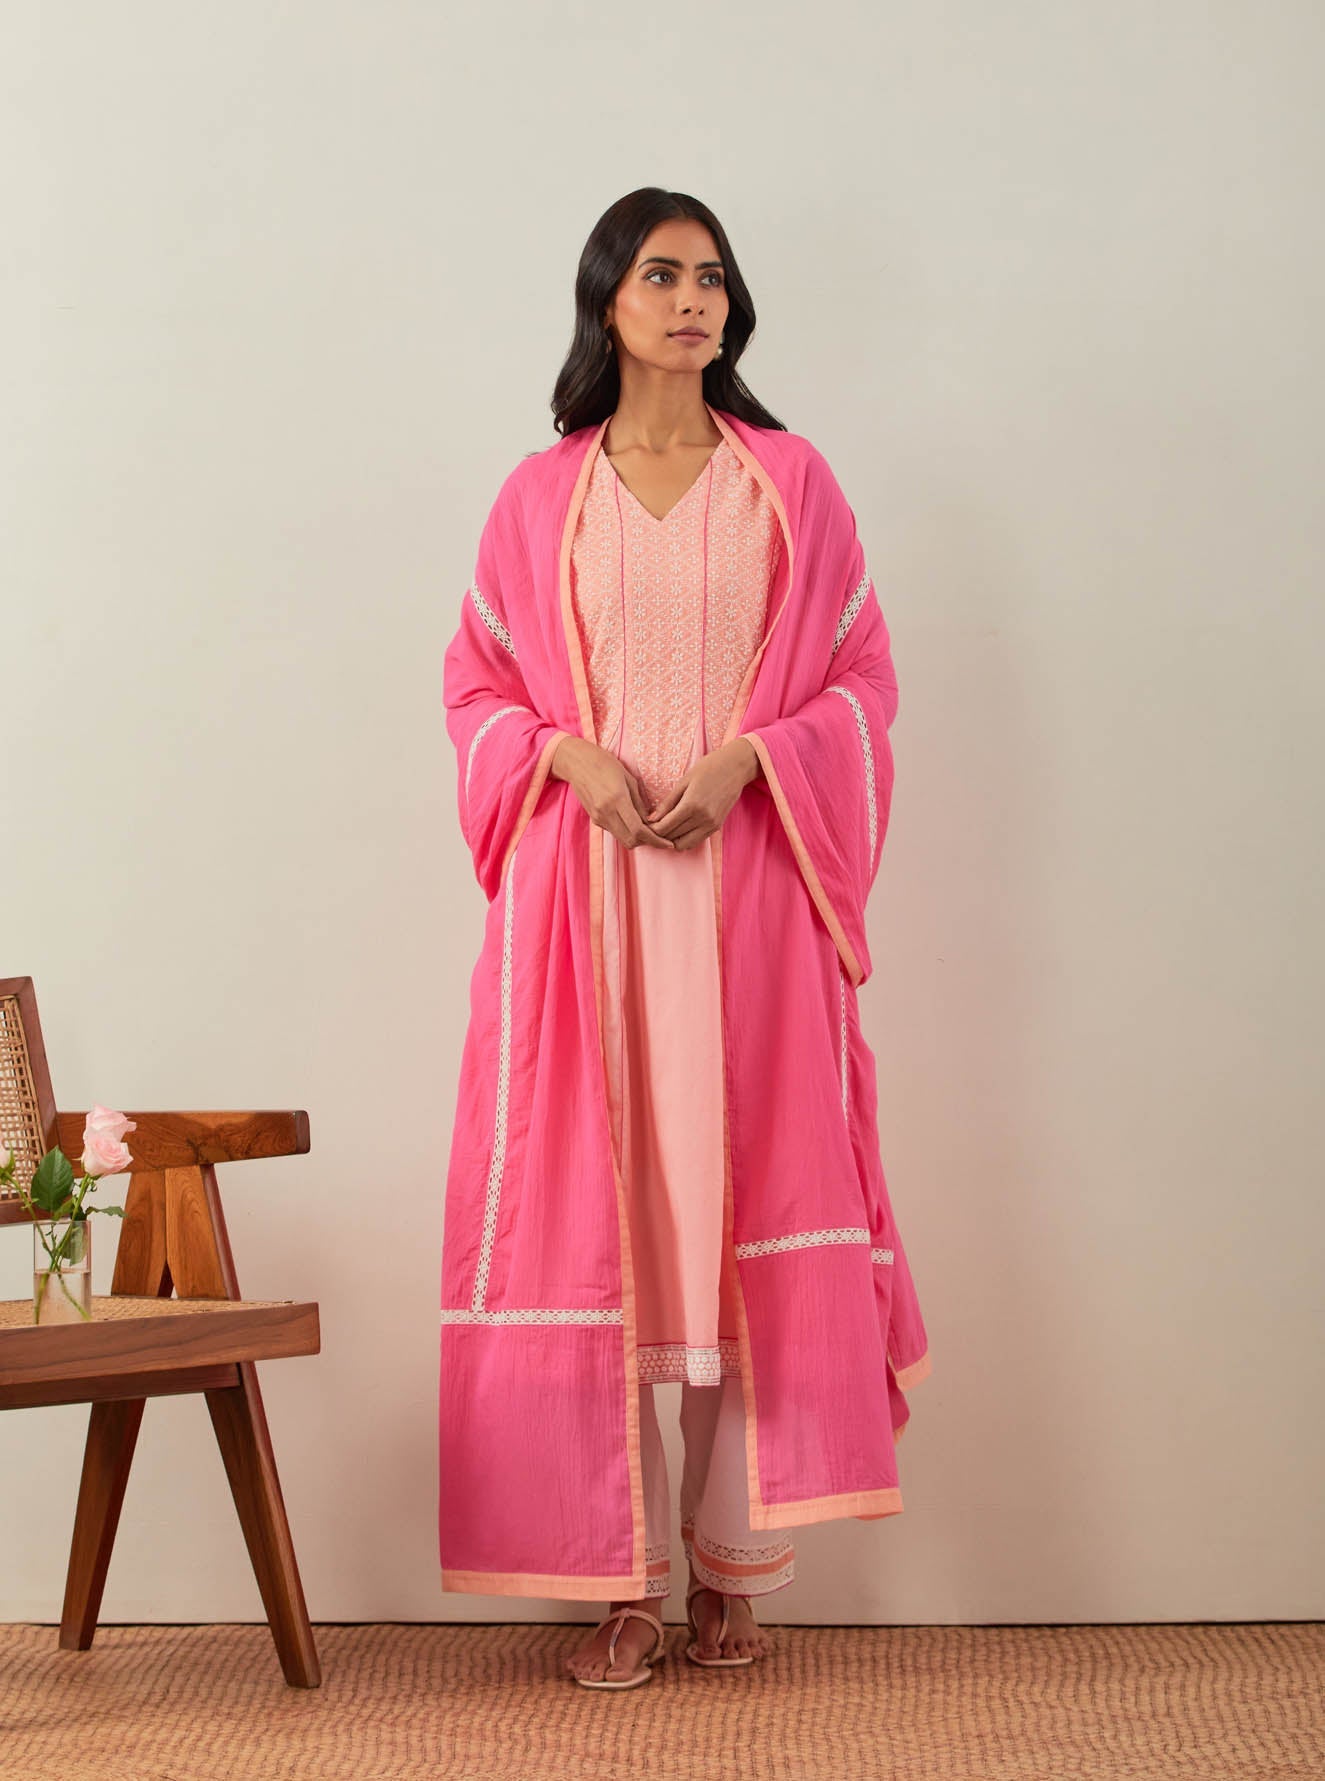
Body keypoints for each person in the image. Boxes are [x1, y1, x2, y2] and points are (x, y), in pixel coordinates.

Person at [439, 188, 931, 1692]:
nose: (691, 299)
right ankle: (620, 1578)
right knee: (611, 1231)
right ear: (607, 298)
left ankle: (730, 1568)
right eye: (660, 275)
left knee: (731, 1225)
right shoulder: (540, 497)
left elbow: (861, 679)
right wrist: (566, 758)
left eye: (711, 277)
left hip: (752, 894)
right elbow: (476, 686)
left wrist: (750, 762)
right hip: (581, 912)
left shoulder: (791, 482)